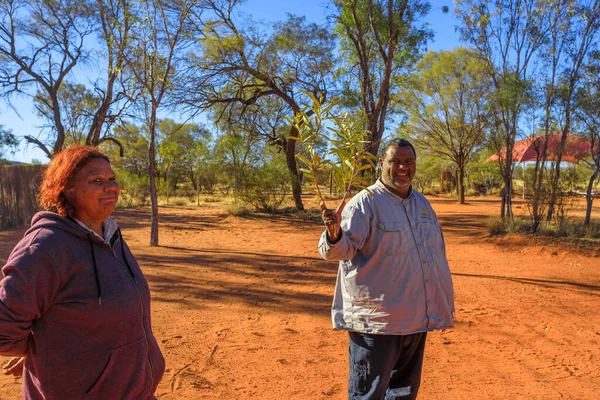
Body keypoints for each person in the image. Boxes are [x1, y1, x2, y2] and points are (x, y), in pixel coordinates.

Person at [0, 145, 165, 399]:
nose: (112, 187)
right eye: (97, 180)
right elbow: (4, 331)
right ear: (68, 189)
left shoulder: (110, 234)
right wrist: (46, 353)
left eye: (112, 179)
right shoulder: (45, 248)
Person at [318, 138, 454, 400]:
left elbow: (434, 257)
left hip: (415, 321)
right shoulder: (364, 203)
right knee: (368, 394)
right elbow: (338, 251)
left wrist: (441, 306)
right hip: (377, 324)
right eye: (395, 161)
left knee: (403, 393)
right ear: (382, 164)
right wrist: (334, 233)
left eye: (408, 162)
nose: (402, 167)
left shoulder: (423, 205)